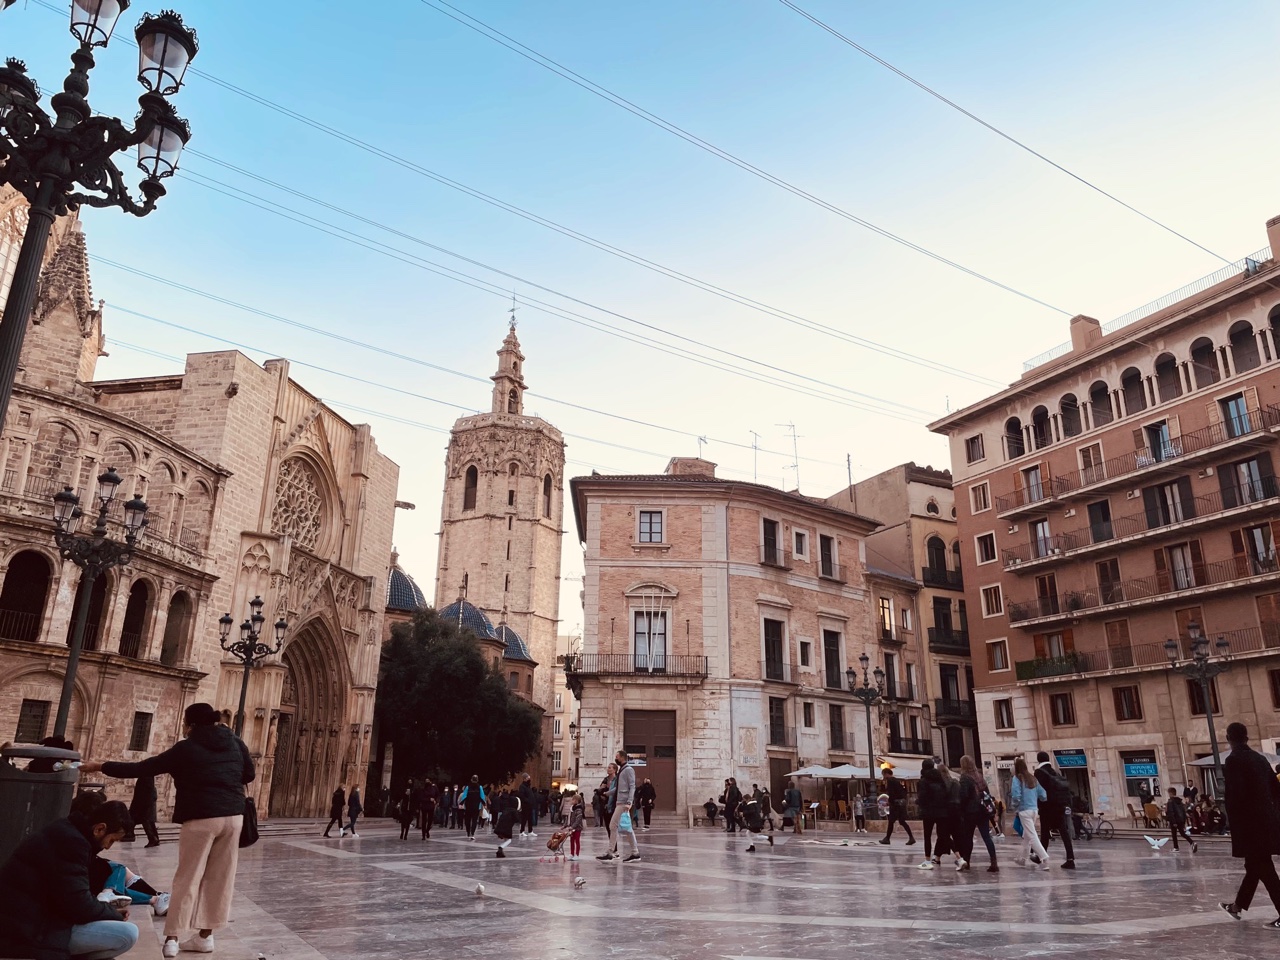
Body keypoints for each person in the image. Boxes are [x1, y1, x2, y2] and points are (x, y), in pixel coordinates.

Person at [82, 701, 253, 957]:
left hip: (201, 816)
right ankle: (205, 937)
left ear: (191, 725)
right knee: (221, 878)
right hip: (233, 817)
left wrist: (99, 766)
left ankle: (172, 939)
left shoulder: (187, 748)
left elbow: (142, 768)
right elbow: (248, 774)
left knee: (188, 876)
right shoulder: (235, 742)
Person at [0, 791, 138, 960]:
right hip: (28, 929)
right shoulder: (72, 843)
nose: (109, 847)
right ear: (99, 829)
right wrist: (113, 913)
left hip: (31, 920)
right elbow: (79, 904)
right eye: (111, 840)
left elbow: (74, 893)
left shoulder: (67, 832)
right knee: (128, 934)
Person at [1219, 722, 1280, 926]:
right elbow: (1276, 790)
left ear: (1229, 738)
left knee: (1265, 870)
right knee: (1254, 866)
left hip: (1249, 826)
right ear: (1246, 737)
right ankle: (1237, 906)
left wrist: (1232, 825)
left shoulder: (1233, 760)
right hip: (1266, 823)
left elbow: (1236, 797)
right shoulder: (1260, 759)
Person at [1034, 751, 1076, 869]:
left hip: (1047, 807)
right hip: (1059, 807)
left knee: (1045, 833)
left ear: (1038, 759)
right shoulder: (1055, 772)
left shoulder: (1039, 773)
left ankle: (1040, 856)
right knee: (1064, 832)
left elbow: (1038, 791)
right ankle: (1070, 858)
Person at [598, 749, 641, 863]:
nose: (615, 758)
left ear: (622, 757)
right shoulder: (622, 770)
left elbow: (632, 786)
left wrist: (629, 802)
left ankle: (611, 852)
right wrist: (608, 793)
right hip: (620, 802)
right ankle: (635, 852)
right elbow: (619, 788)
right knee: (627, 829)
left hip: (623, 803)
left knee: (613, 825)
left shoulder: (628, 770)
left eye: (617, 757)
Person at [1011, 757, 1050, 871]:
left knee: (1032, 836)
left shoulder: (1017, 778)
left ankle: (1044, 858)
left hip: (1024, 810)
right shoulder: (1032, 778)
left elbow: (1016, 795)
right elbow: (1043, 795)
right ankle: (1023, 859)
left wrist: (1014, 806)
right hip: (1034, 810)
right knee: (1027, 836)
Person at [957, 756, 995, 873]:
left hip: (970, 812)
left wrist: (961, 810)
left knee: (968, 837)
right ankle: (994, 862)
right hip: (982, 811)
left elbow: (963, 796)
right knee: (986, 837)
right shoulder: (979, 777)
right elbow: (987, 793)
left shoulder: (964, 778)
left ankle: (967, 862)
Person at [916, 759, 949, 869]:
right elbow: (945, 794)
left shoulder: (923, 781)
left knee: (927, 836)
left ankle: (927, 860)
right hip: (942, 811)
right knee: (943, 835)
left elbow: (922, 797)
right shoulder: (940, 779)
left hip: (928, 812)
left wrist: (919, 803)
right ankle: (959, 858)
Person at [878, 766, 916, 846]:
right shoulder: (896, 781)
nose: (883, 777)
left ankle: (887, 839)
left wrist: (889, 802)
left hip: (895, 805)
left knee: (891, 821)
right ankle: (911, 837)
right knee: (902, 821)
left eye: (884, 775)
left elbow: (892, 793)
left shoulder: (890, 781)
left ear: (886, 774)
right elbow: (902, 792)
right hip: (900, 804)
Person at [129, 775, 161, 848]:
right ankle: (155, 839)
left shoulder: (146, 777)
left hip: (144, 802)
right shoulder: (148, 776)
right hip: (146, 801)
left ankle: (152, 839)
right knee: (149, 821)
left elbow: (144, 791)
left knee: (146, 820)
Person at [1165, 787, 1197, 853]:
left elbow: (1171, 812)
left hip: (1174, 820)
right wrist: (1184, 821)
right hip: (1180, 820)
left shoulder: (1170, 801)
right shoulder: (1180, 801)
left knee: (1174, 834)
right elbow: (1183, 811)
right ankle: (1192, 842)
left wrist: (1173, 821)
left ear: (1170, 793)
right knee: (1182, 833)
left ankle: (1176, 847)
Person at [493, 789, 520, 858]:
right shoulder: (514, 811)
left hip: (500, 826)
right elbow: (517, 819)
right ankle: (501, 847)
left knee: (506, 839)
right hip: (507, 827)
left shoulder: (506, 809)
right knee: (509, 840)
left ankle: (501, 852)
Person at [459, 775, 486, 840]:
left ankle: (468, 832)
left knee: (467, 820)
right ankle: (472, 833)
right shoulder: (480, 787)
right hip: (476, 807)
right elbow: (482, 796)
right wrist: (484, 803)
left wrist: (461, 803)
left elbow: (464, 796)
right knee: (474, 820)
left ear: (471, 779)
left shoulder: (468, 787)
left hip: (468, 806)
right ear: (477, 780)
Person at [518, 773, 537, 838]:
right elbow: (522, 796)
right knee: (524, 818)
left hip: (530, 805)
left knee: (530, 818)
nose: (529, 779)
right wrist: (527, 801)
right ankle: (521, 831)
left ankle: (530, 831)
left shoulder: (528, 786)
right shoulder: (522, 786)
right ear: (525, 778)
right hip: (525, 805)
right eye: (528, 778)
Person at [568, 792, 586, 860]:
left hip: (577, 828)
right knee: (571, 840)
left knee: (577, 841)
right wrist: (566, 825)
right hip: (572, 827)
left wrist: (573, 826)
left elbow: (578, 820)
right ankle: (571, 853)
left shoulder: (578, 809)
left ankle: (577, 854)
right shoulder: (572, 808)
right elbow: (570, 818)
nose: (571, 801)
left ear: (576, 800)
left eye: (572, 799)